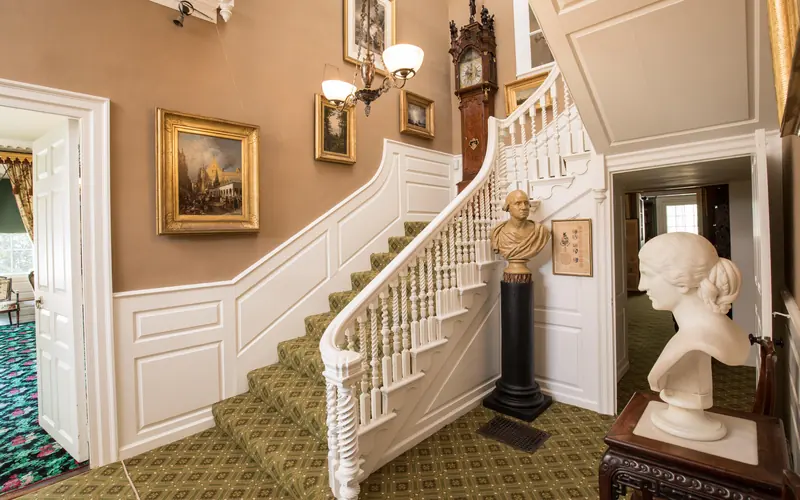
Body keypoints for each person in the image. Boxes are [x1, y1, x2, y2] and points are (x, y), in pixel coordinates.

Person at [638, 232, 749, 441]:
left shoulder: (695, 340)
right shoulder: (718, 330)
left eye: (647, 274)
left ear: (682, 281)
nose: (641, 286)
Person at [490, 190, 550, 275]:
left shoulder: (541, 232)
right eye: (518, 203)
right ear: (508, 207)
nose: (524, 207)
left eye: (526, 203)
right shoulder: (497, 232)